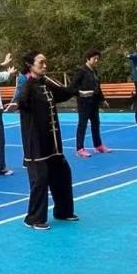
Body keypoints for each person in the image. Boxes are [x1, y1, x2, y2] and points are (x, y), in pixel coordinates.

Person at [16, 51, 79, 230]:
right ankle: (34, 218)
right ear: (30, 65)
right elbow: (22, 101)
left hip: (53, 143)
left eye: (45, 62)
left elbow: (65, 93)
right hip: (36, 143)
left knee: (63, 174)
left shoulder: (46, 83)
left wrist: (79, 81)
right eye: (41, 63)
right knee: (40, 179)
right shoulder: (27, 85)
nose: (45, 66)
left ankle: (63, 211)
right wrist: (28, 82)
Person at [74, 49, 110, 158]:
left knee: (96, 123)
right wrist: (81, 93)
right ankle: (80, 148)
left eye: (98, 59)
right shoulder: (81, 71)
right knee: (83, 125)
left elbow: (98, 87)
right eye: (94, 59)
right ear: (88, 59)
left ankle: (98, 145)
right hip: (84, 102)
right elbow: (73, 86)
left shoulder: (94, 71)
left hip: (94, 102)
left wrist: (102, 99)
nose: (96, 61)